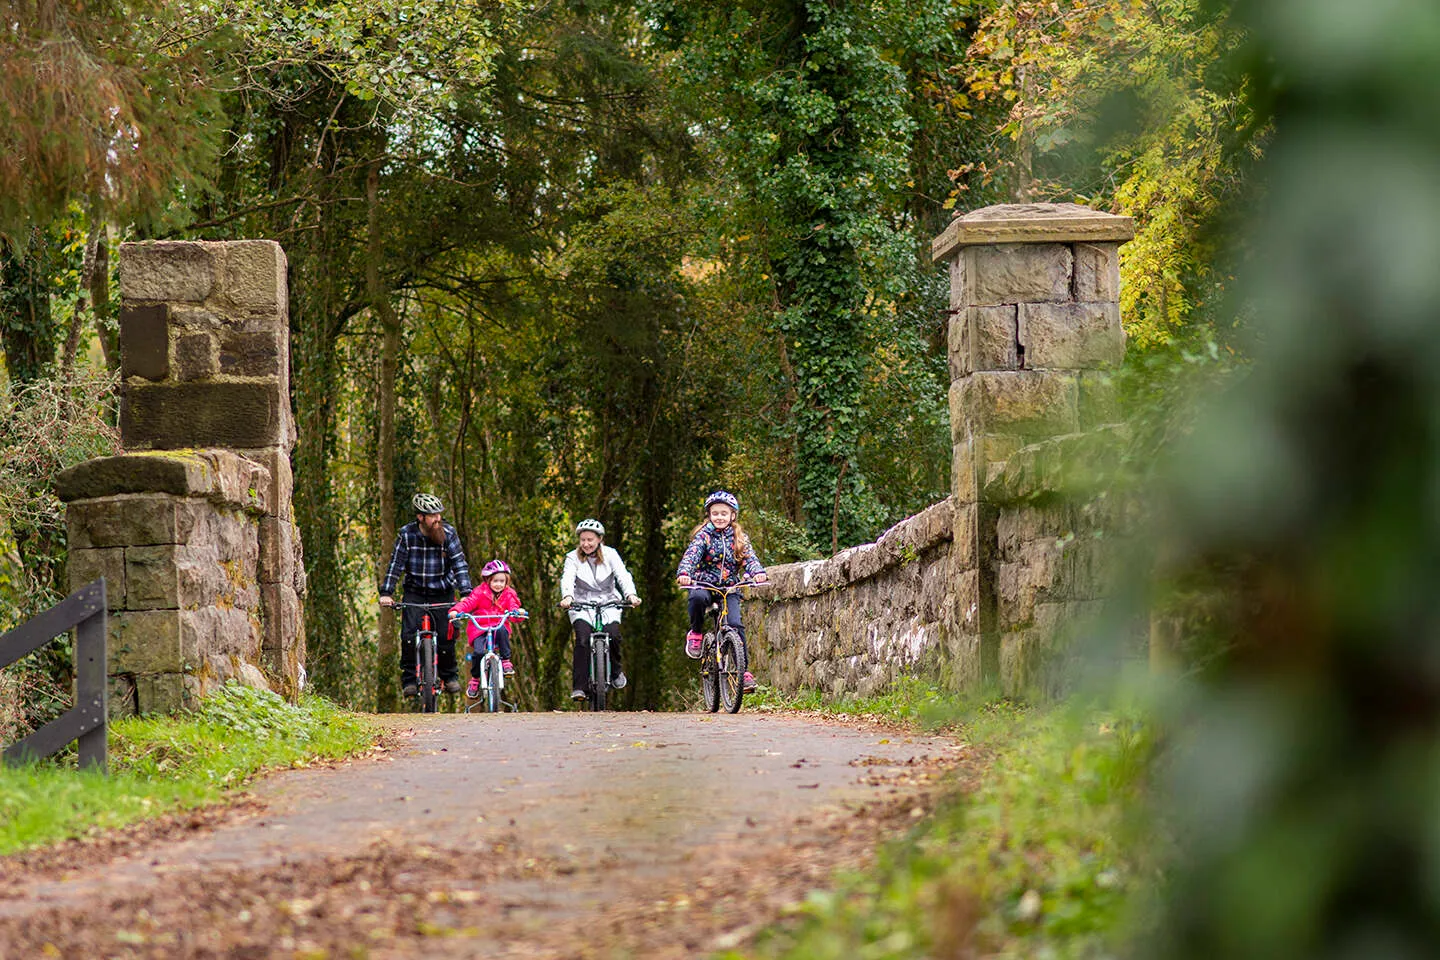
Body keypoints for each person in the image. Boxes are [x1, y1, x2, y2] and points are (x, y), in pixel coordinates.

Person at [379, 492, 473, 697]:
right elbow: (396, 565)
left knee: (448, 635)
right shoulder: (407, 534)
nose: (437, 519)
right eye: (432, 516)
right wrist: (386, 592)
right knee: (408, 637)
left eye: (439, 514)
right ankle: (410, 680)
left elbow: (459, 564)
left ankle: (449, 676)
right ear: (420, 517)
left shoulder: (448, 533)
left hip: (443, 591)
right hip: (415, 592)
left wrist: (466, 593)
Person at [675, 490, 768, 693]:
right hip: (705, 584)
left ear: (732, 515)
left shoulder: (739, 537)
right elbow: (691, 556)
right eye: (715, 513)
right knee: (697, 598)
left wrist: (758, 572)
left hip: (730, 587)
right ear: (709, 515)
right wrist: (685, 573)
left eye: (723, 513)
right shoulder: (703, 536)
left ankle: (743, 671)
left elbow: (749, 558)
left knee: (735, 624)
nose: (719, 517)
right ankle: (696, 633)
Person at [560, 518, 640, 701]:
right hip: (581, 603)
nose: (586, 544)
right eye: (583, 540)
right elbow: (567, 578)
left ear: (599, 540)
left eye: (590, 540)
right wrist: (567, 597)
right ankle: (579, 687)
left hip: (608, 601)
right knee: (581, 638)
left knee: (613, 634)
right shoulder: (572, 557)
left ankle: (615, 672)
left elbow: (623, 575)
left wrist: (631, 595)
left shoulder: (611, 554)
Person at [451, 559, 525, 698]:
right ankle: (475, 680)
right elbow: (468, 603)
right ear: (488, 580)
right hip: (480, 629)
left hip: (498, 627)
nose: (498, 584)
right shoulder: (480, 592)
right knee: (478, 653)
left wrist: (517, 612)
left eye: (502, 581)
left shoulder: (509, 594)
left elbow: (514, 607)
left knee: (503, 630)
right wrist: (457, 611)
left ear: (506, 582)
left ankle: (505, 661)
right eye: (495, 581)